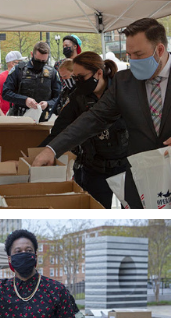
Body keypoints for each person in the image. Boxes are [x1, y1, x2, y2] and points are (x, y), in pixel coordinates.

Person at [33, 18, 171, 209]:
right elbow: (94, 118)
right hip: (140, 179)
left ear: (160, 50)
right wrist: (52, 149)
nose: (134, 61)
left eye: (139, 54)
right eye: (130, 55)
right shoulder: (124, 83)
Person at [38, 52, 130, 208]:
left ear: (99, 73)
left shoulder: (122, 91)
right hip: (94, 168)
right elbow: (60, 129)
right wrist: (40, 153)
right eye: (74, 78)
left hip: (126, 166)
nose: (77, 82)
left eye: (81, 77)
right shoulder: (78, 97)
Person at [3, 41, 61, 121]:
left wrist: (48, 104)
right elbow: (6, 93)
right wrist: (25, 100)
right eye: (37, 60)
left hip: (43, 119)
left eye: (44, 61)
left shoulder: (52, 73)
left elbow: (59, 97)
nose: (40, 63)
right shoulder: (19, 70)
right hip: (20, 117)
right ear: (32, 54)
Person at [0, 51, 25, 116]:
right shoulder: (1, 78)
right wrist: (2, 116)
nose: (22, 64)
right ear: (13, 63)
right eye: (20, 62)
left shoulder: (22, 76)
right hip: (8, 116)